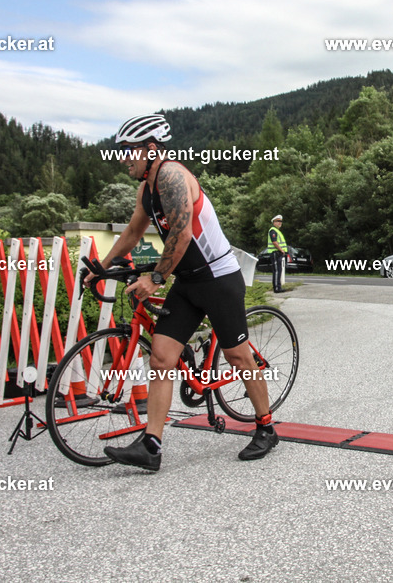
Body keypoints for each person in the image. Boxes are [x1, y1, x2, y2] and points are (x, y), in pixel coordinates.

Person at [87, 114, 278, 470]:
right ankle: (151, 446)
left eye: (129, 151)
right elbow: (131, 232)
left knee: (238, 357)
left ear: (151, 148)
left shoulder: (173, 176)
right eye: (120, 151)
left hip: (218, 278)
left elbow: (182, 233)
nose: (123, 158)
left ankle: (266, 427)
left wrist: (155, 279)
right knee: (161, 357)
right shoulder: (146, 189)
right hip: (188, 281)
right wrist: (101, 265)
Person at [267, 214, 288, 293]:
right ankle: (276, 288)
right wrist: (281, 250)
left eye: (281, 221)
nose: (280, 223)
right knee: (276, 271)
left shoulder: (277, 231)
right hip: (275, 253)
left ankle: (278, 287)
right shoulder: (273, 230)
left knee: (279, 271)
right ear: (274, 222)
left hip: (278, 253)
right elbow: (274, 242)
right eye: (278, 221)